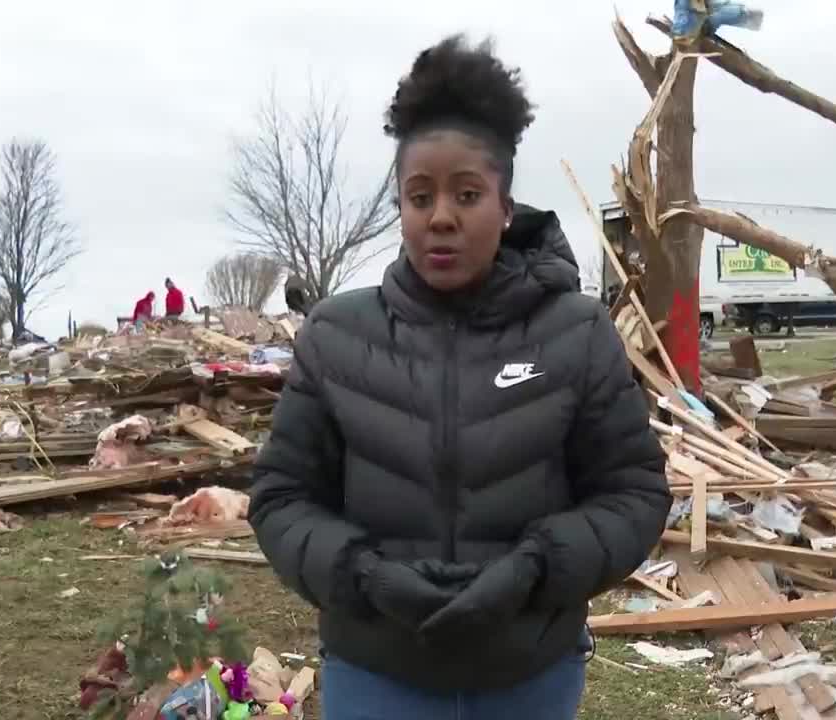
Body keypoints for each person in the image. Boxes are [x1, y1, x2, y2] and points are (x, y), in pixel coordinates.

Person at [248, 36, 669, 720]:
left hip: (529, 671)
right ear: (401, 208)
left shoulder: (576, 331)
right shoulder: (335, 336)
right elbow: (280, 497)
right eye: (420, 197)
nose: (441, 215)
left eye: (467, 194)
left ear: (505, 207)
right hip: (375, 669)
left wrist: (535, 568)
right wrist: (360, 573)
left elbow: (634, 492)